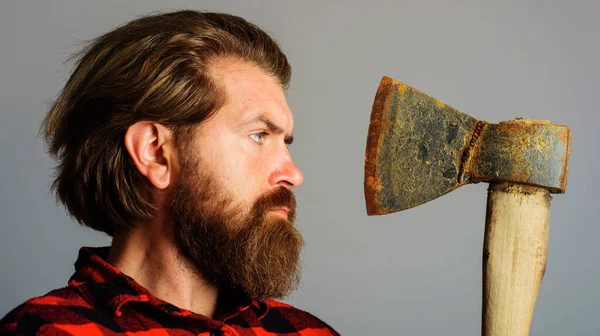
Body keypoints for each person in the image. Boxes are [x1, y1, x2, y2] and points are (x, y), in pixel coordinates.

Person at [0, 10, 339, 336]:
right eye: (258, 135)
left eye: (285, 142)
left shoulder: (307, 331)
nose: (292, 174)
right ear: (155, 153)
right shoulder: (50, 330)